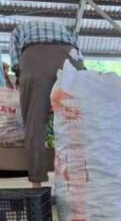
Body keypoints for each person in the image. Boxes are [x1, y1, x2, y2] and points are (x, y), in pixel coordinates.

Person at [10, 19, 84, 187]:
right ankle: (79, 179)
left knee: (34, 123)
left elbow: (15, 61)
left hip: (35, 60)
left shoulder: (19, 29)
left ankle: (37, 183)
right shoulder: (65, 29)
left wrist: (21, 77)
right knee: (77, 121)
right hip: (70, 59)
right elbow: (78, 51)